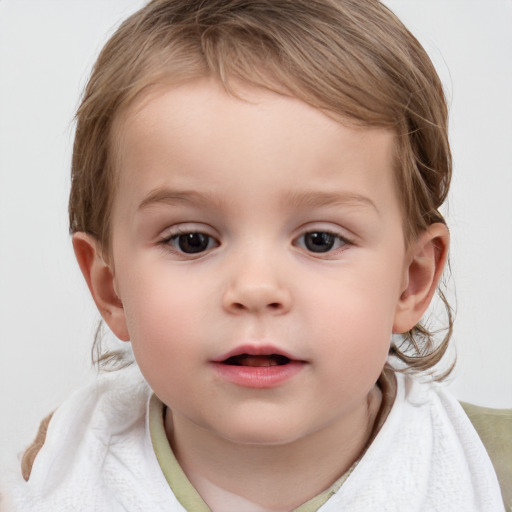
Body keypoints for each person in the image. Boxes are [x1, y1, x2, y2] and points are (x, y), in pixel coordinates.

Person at [3, 0, 505, 510]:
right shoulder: (63, 470)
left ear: (411, 280)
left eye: (320, 240)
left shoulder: (488, 470)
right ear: (111, 288)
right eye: (192, 240)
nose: (256, 289)